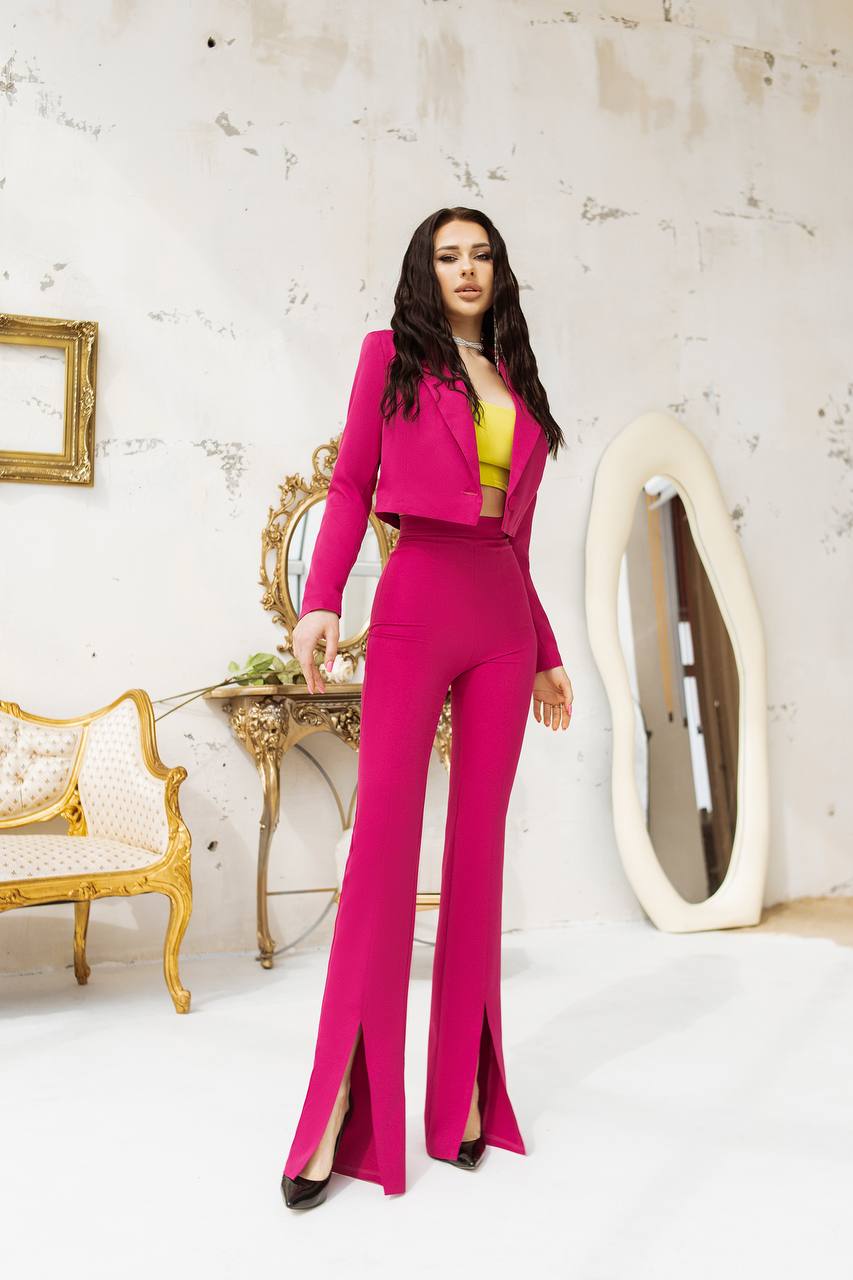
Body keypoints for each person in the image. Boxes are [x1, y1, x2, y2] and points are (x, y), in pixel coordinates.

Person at [281, 206, 574, 1209]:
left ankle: (461, 1099)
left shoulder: (515, 380)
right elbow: (354, 483)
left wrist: (542, 652)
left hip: (500, 614)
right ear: (424, 268)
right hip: (414, 601)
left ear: (499, 270)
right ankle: (334, 1113)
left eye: (480, 254)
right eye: (447, 255)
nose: (465, 268)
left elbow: (519, 539)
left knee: (478, 856)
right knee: (383, 854)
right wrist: (321, 600)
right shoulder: (389, 356)